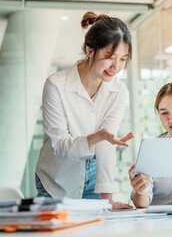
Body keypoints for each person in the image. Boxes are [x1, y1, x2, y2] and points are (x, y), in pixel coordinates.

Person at [35, 11, 134, 209]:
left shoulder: (118, 90)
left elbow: (107, 143)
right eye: (109, 56)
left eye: (123, 59)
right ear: (90, 50)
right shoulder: (56, 85)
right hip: (56, 179)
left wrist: (107, 199)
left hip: (94, 178)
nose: (116, 66)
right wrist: (98, 137)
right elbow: (60, 145)